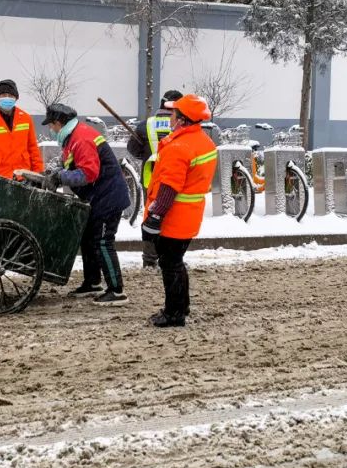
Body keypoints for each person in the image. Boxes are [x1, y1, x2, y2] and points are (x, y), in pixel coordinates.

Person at [42, 103, 130, 306]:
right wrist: (56, 173)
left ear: (59, 122)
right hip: (98, 197)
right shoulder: (73, 137)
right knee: (88, 239)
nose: (51, 129)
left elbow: (88, 174)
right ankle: (92, 283)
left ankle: (116, 290)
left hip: (108, 198)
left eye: (52, 125)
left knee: (103, 242)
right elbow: (70, 164)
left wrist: (60, 177)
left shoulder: (81, 138)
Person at [141, 94, 217, 327]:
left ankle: (174, 313)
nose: (170, 116)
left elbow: (169, 187)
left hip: (174, 217)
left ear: (182, 119)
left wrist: (155, 217)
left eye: (174, 113)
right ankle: (181, 306)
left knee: (170, 264)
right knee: (176, 261)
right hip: (190, 214)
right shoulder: (204, 142)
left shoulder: (180, 147)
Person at [127, 89, 183, 268]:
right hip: (176, 179)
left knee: (151, 218)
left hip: (151, 180)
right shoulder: (183, 126)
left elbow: (132, 149)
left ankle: (149, 259)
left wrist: (146, 154)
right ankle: (170, 257)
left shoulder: (146, 125)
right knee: (172, 218)